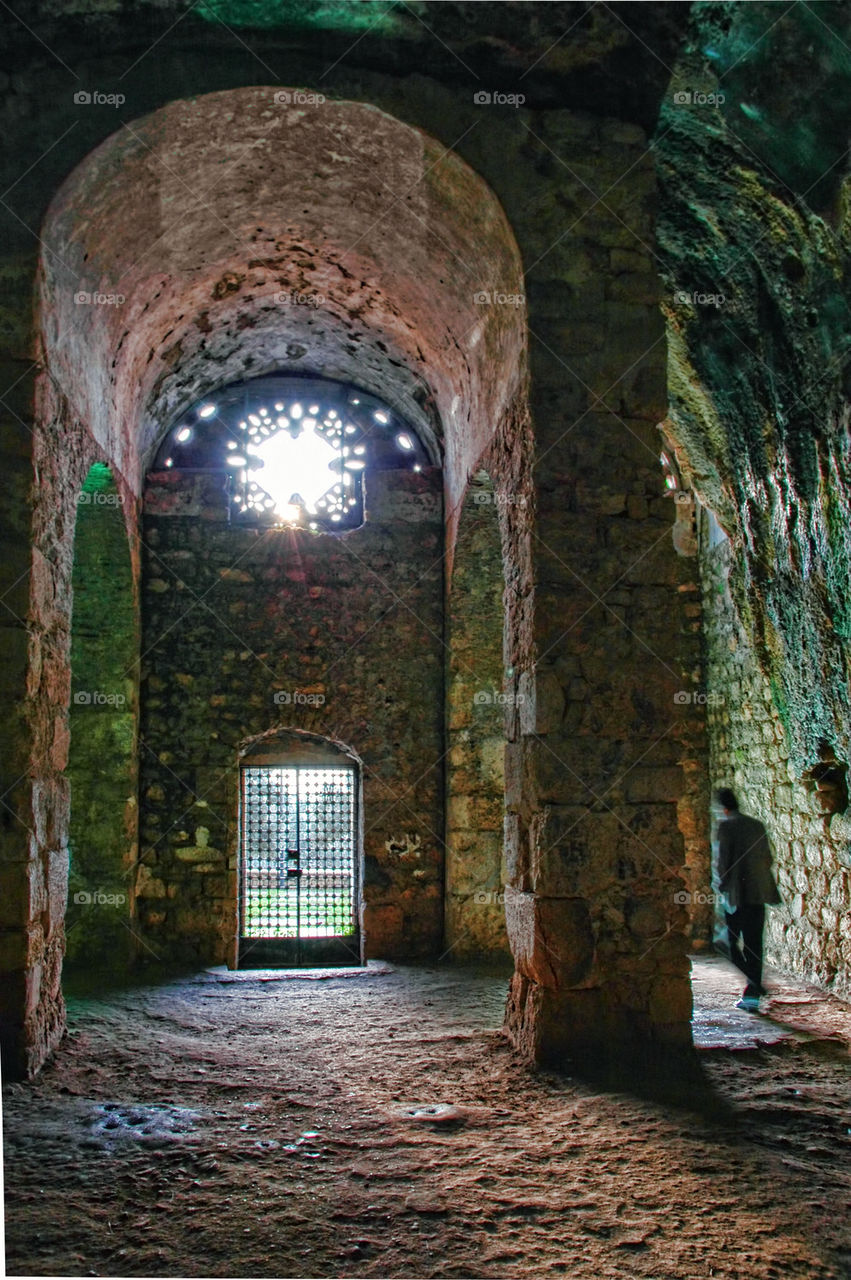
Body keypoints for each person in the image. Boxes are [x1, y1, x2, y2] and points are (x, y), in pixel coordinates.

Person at [714, 787, 781, 1012]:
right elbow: (767, 858)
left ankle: (754, 985)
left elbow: (723, 863)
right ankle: (753, 991)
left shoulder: (726, 827)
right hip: (758, 893)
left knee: (727, 943)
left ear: (722, 808)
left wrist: (721, 888)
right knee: (754, 943)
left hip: (736, 896)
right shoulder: (756, 825)